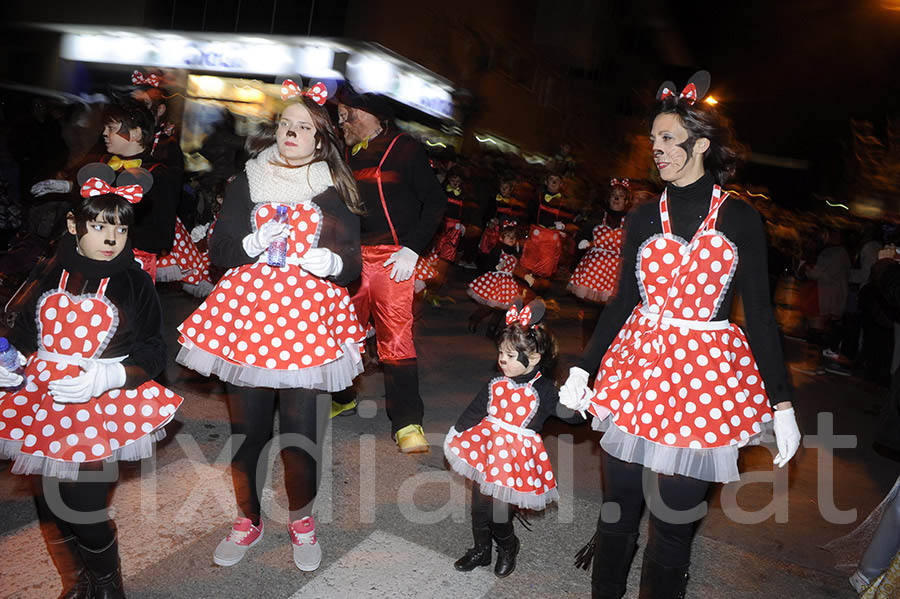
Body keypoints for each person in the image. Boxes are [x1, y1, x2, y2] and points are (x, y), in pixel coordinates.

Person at [559, 71, 802, 599]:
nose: (657, 150)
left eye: (667, 139)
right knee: (618, 510)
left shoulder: (740, 218)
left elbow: (760, 313)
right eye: (654, 140)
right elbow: (624, 302)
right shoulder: (645, 215)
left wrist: (781, 404)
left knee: (672, 525)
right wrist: (584, 366)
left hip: (704, 382)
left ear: (701, 145)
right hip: (636, 371)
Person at [176, 80, 365, 571]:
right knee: (249, 433)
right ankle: (248, 519)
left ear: (321, 139)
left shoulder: (333, 187)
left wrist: (331, 262)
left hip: (307, 327)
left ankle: (302, 521)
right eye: (286, 124)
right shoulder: (247, 180)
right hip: (250, 322)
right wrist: (251, 245)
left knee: (302, 437)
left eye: (304, 127)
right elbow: (218, 251)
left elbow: (352, 264)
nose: (292, 133)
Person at [0, 169, 183, 598]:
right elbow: (22, 329)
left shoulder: (133, 280)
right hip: (41, 402)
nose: (111, 237)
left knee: (82, 508)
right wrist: (9, 361)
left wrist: (110, 374)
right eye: (99, 226)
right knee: (49, 504)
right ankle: (77, 582)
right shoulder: (48, 270)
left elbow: (155, 348)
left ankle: (108, 587)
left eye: (119, 228)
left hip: (100, 407)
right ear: (73, 226)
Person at [331, 89, 446, 452]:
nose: (342, 121)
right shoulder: (347, 153)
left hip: (392, 259)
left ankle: (408, 420)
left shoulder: (404, 147)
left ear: (369, 115)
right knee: (341, 332)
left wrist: (413, 247)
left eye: (347, 114)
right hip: (352, 257)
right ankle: (342, 395)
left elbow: (436, 200)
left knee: (395, 339)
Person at [444, 299, 581, 578]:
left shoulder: (543, 389)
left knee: (499, 514)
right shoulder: (496, 383)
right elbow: (475, 409)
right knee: (479, 508)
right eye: (500, 352)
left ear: (533, 359)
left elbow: (572, 418)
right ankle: (482, 550)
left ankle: (508, 546)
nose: (502, 359)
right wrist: (455, 434)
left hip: (515, 462)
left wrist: (575, 402)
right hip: (488, 451)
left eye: (509, 355)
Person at [568, 178, 631, 345]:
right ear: (608, 198)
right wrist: (582, 245)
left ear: (626, 201)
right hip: (594, 271)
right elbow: (583, 236)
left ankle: (601, 347)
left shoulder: (630, 221)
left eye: (621, 196)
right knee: (590, 313)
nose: (617, 199)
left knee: (608, 314)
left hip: (615, 273)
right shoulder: (597, 216)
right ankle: (587, 345)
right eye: (613, 196)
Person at [518, 172, 573, 296]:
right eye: (551, 179)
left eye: (557, 180)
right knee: (528, 265)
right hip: (536, 235)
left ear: (561, 184)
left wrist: (564, 226)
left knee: (545, 270)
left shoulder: (565, 202)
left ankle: (537, 297)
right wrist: (522, 230)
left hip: (551, 240)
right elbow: (527, 214)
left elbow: (570, 219)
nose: (553, 182)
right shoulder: (536, 198)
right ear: (546, 182)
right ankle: (523, 292)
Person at [467, 223, 523, 336]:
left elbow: (516, 269)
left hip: (507, 283)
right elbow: (487, 265)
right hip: (495, 280)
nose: (511, 238)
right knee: (489, 306)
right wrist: (496, 267)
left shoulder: (515, 254)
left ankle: (492, 329)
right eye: (508, 236)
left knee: (501, 309)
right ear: (502, 237)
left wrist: (524, 276)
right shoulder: (498, 250)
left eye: (513, 236)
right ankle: (475, 319)